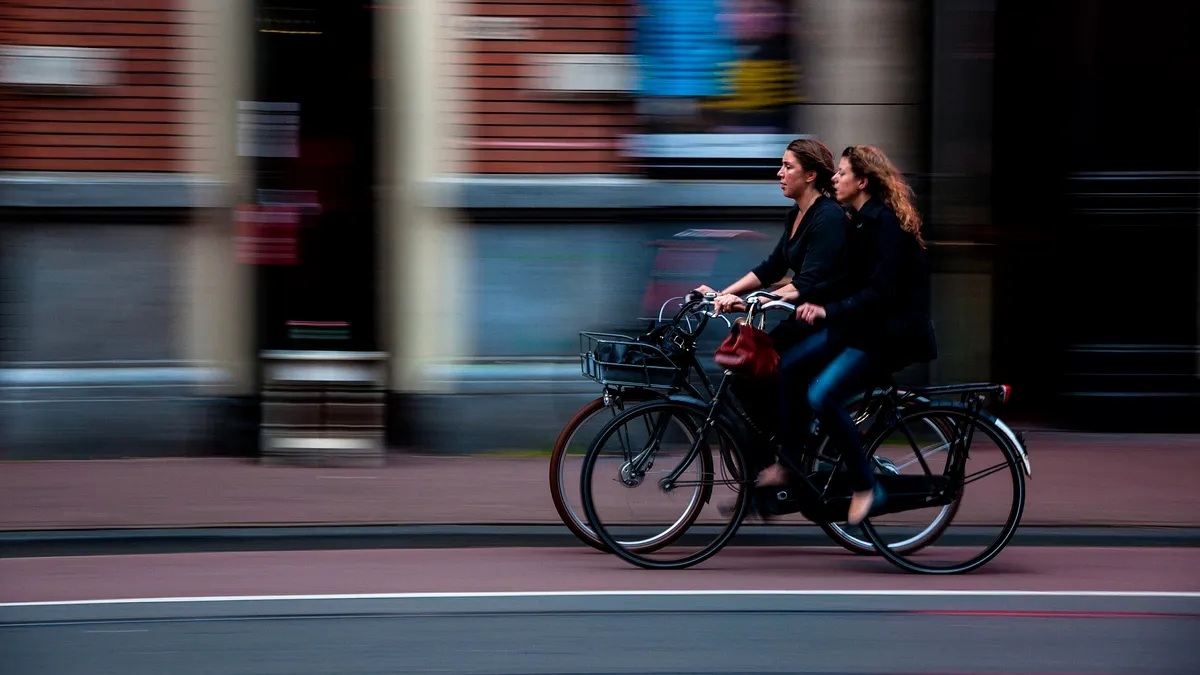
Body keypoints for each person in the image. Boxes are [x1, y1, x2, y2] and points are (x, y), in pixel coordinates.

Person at [758, 145, 938, 525]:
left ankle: (866, 485)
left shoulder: (885, 224)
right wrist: (803, 297)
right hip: (860, 328)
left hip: (890, 336)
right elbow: (841, 279)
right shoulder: (856, 220)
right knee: (789, 364)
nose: (834, 179)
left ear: (863, 181)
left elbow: (879, 293)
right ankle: (789, 463)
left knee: (823, 396)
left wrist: (826, 310)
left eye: (841, 173)